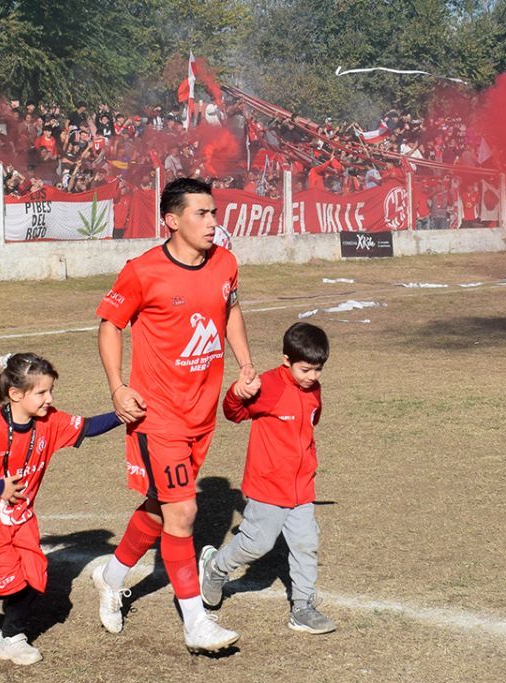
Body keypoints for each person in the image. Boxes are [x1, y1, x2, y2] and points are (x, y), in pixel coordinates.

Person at [92, 177, 258, 653]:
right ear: (171, 220)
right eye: (201, 214)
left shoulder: (225, 262)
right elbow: (109, 326)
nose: (212, 222)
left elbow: (230, 311)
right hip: (157, 414)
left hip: (201, 414)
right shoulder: (142, 271)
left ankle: (112, 576)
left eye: (213, 212)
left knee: (161, 508)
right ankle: (195, 623)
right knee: (183, 511)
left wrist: (246, 364)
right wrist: (118, 387)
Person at [0, 353, 121, 665]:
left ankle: (11, 638)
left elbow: (88, 426)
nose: (49, 399)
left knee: (34, 575)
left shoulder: (49, 421)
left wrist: (124, 414)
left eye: (51, 391)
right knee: (8, 580)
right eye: (41, 392)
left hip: (21, 517)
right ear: (15, 394)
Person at [198, 322, 336, 634]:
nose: (312, 377)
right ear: (287, 360)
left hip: (301, 487)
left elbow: (312, 419)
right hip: (268, 486)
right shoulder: (269, 387)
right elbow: (233, 413)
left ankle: (303, 607)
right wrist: (236, 392)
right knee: (257, 544)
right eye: (306, 370)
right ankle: (215, 568)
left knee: (306, 544)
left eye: (318, 370)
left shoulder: (313, 389)